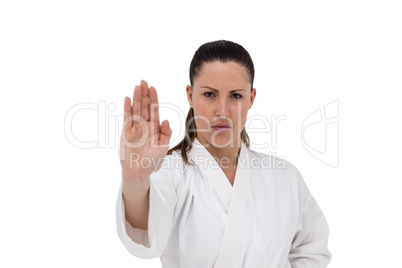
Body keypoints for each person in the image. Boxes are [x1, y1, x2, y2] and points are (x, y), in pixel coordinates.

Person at [116, 40, 332, 268]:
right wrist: (135, 178)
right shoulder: (169, 173)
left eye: (235, 96)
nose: (222, 111)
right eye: (209, 94)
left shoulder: (285, 178)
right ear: (190, 95)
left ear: (252, 98)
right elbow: (144, 232)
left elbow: (312, 250)